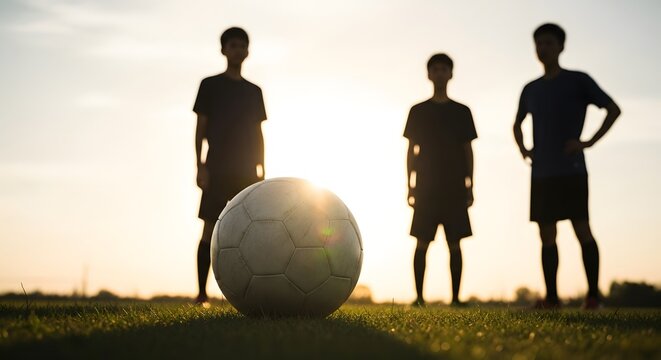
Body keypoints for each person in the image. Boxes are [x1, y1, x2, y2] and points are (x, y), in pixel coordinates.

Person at [513, 23, 621, 310]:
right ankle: (551, 298)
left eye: (548, 42)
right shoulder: (531, 89)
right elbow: (517, 124)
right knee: (546, 234)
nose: (542, 48)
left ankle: (594, 297)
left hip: (571, 169)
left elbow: (613, 109)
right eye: (538, 43)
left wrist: (587, 142)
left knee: (582, 229)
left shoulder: (578, 80)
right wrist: (525, 149)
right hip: (542, 173)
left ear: (561, 47)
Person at [192, 27, 267, 306]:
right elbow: (200, 128)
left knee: (251, 232)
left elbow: (259, 133)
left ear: (248, 51)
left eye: (242, 45)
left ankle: (252, 294)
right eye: (233, 45)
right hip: (217, 168)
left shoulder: (254, 91)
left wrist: (262, 169)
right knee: (209, 230)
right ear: (223, 50)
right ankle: (201, 294)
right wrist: (199, 165)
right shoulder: (209, 85)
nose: (238, 50)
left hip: (247, 171)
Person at [404, 53, 477, 307]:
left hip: (455, 186)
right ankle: (419, 297)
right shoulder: (418, 111)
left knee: (455, 243)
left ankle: (456, 298)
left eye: (444, 69)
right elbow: (411, 150)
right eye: (435, 69)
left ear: (451, 74)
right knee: (421, 242)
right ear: (428, 74)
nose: (439, 73)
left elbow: (468, 149)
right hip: (426, 186)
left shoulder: (462, 111)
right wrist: (409, 184)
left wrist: (470, 184)